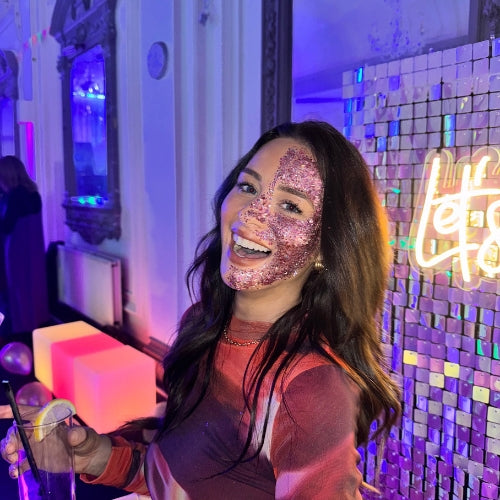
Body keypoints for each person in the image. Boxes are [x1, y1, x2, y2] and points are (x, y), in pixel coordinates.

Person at [1, 121, 401, 498]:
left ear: (326, 249)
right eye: (248, 186)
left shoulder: (309, 388)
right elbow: (174, 476)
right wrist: (92, 454)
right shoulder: (203, 323)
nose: (251, 213)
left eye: (291, 207)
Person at [0, 155, 49, 337]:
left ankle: (17, 333)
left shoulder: (13, 197)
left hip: (15, 251)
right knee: (32, 288)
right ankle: (32, 327)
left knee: (15, 292)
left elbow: (6, 226)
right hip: (32, 250)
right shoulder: (33, 194)